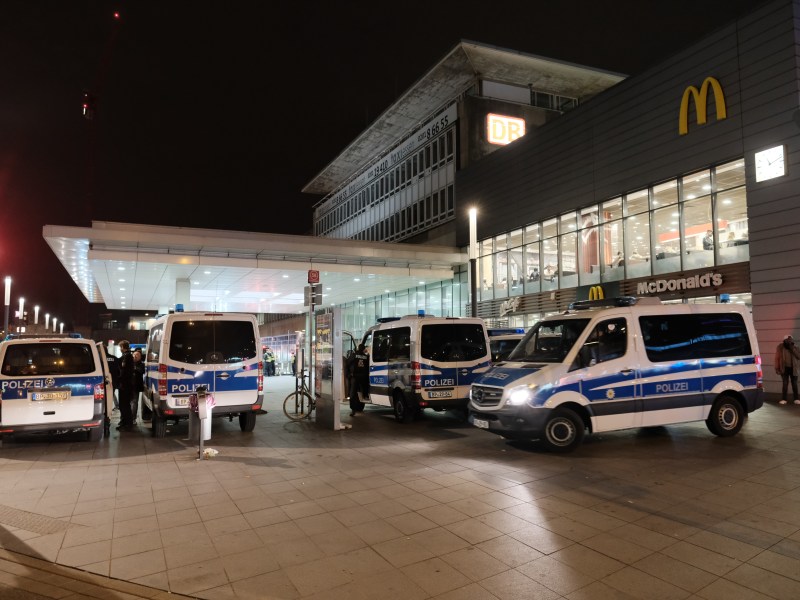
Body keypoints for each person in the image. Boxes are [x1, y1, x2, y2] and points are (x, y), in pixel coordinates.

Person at [774, 335, 800, 405]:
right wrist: (777, 368)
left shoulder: (795, 347)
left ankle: (796, 399)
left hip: (794, 368)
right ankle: (784, 399)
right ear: (784, 340)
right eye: (788, 340)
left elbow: (798, 356)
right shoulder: (780, 347)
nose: (790, 341)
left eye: (791, 340)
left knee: (794, 384)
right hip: (784, 368)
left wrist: (792, 349)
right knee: (785, 384)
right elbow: (777, 358)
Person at [116, 340, 136, 431]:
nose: (120, 349)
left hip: (125, 385)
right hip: (125, 384)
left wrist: (119, 379)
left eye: (120, 347)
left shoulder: (127, 356)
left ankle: (128, 424)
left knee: (125, 405)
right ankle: (125, 423)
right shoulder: (127, 356)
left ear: (123, 347)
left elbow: (124, 371)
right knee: (123, 405)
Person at [346, 343, 369, 416]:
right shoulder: (366, 357)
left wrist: (348, 374)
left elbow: (347, 363)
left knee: (352, 393)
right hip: (363, 377)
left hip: (355, 377)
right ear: (363, 349)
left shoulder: (354, 355)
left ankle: (353, 410)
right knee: (364, 389)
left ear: (358, 348)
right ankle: (365, 396)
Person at [133, 348, 151, 422]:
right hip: (128, 385)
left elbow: (141, 371)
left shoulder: (141, 364)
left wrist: (134, 368)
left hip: (136, 385)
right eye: (134, 355)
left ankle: (133, 418)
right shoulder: (130, 363)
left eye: (137, 355)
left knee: (134, 402)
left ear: (140, 357)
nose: (135, 356)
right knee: (130, 402)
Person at [105, 346, 120, 412]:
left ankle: (108, 409)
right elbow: (118, 369)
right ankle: (115, 405)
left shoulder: (100, 359)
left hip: (105, 380)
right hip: (113, 380)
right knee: (111, 393)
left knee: (107, 395)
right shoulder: (114, 358)